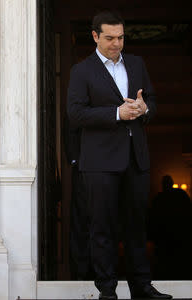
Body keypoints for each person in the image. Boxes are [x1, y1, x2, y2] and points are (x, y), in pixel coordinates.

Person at [67, 11, 172, 300]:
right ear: (95, 36)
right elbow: (75, 114)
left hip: (135, 158)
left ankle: (142, 287)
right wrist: (117, 113)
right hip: (99, 162)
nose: (116, 44)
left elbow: (150, 99)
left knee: (137, 225)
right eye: (110, 38)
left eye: (121, 37)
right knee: (102, 227)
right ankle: (108, 290)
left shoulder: (137, 64)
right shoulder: (82, 71)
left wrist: (144, 108)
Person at [63, 115, 93, 280]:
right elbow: (71, 122)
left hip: (107, 167)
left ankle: (100, 270)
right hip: (82, 168)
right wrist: (75, 160)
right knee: (80, 221)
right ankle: (80, 272)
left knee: (105, 222)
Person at [149, 175, 192, 280]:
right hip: (178, 238)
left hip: (166, 240)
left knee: (165, 263)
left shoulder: (159, 199)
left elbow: (152, 219)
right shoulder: (181, 195)